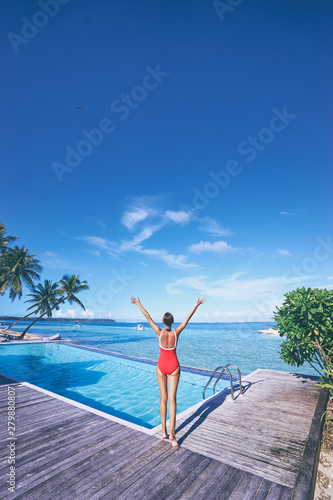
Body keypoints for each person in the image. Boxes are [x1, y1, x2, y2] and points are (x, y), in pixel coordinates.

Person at [131, 296, 206, 447]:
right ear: (172, 322)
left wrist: (139, 303)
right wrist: (196, 305)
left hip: (161, 366)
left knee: (163, 399)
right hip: (174, 367)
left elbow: (148, 317)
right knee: (172, 399)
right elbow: (187, 319)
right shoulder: (176, 333)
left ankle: (163, 432)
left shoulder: (159, 332)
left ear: (164, 322)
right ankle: (172, 435)